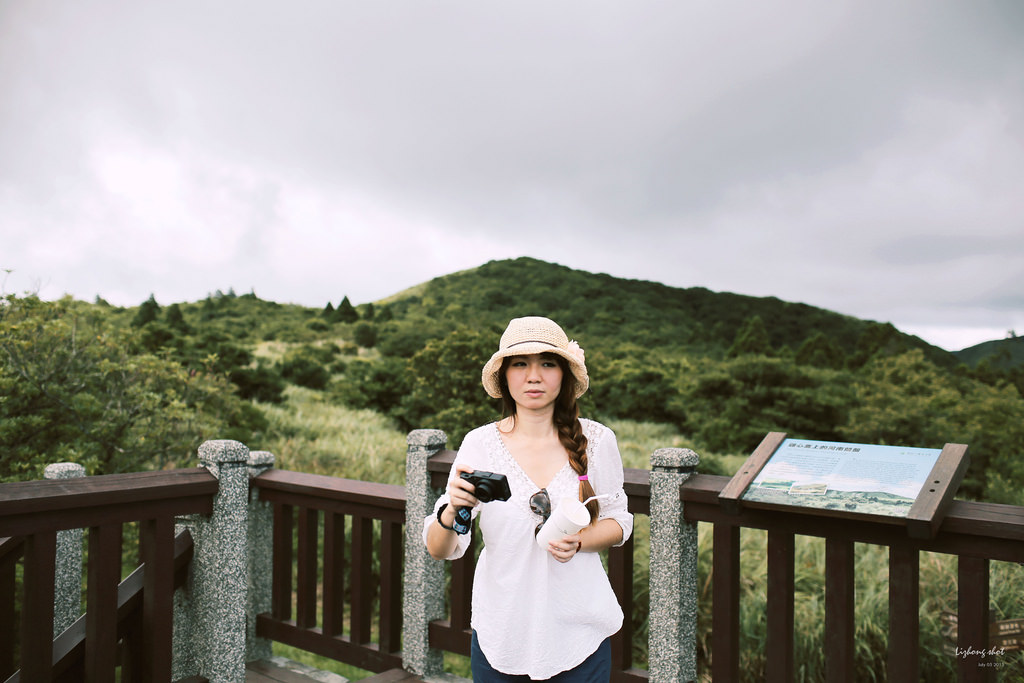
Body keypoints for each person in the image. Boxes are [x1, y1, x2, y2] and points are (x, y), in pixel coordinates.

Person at [423, 316, 633, 682]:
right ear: (504, 375)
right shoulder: (480, 444)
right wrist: (452, 509)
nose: (533, 376)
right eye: (520, 364)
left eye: (547, 363)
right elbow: (441, 549)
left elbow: (619, 520)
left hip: (580, 633)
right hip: (501, 631)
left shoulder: (598, 441)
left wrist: (579, 541)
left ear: (564, 374)